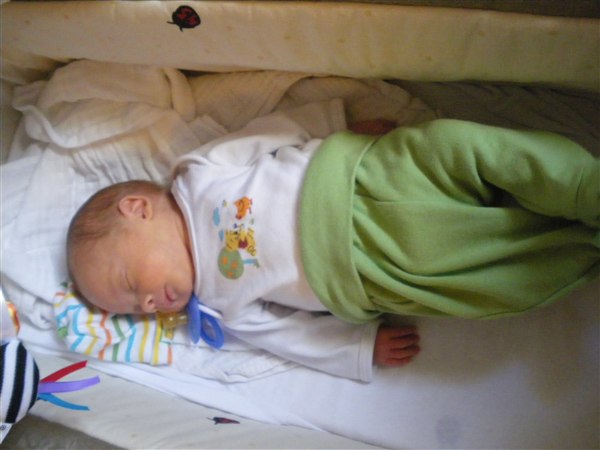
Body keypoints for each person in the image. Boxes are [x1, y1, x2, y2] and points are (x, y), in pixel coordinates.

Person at [67, 100, 599, 382]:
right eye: (134, 310)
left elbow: (269, 133)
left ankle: (580, 185)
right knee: (484, 276)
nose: (147, 305)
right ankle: (579, 250)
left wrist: (335, 123)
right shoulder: (219, 308)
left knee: (455, 147)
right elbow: (288, 336)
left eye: (130, 284)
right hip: (373, 266)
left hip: (367, 176)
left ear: (137, 209)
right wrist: (358, 347)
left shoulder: (197, 176)